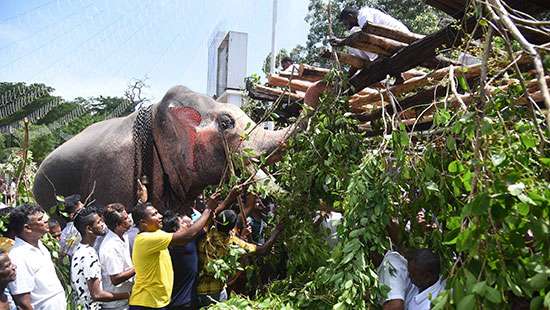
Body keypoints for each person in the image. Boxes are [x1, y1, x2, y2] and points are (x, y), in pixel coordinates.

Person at [128, 199, 218, 310]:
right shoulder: (145, 238)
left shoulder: (157, 233)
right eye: (154, 214)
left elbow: (195, 229)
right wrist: (208, 209)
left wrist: (225, 200)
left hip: (158, 302)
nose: (160, 216)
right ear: (143, 223)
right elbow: (187, 236)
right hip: (146, 304)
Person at [197, 210, 283, 307]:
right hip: (216, 292)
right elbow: (263, 250)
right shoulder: (233, 243)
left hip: (197, 290)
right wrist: (276, 232)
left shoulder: (205, 234)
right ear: (232, 227)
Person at [7, 204, 66, 309]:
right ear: (27, 228)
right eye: (40, 219)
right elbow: (23, 302)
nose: (46, 221)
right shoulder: (18, 256)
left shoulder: (40, 245)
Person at [71, 206, 130, 310]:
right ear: (89, 229)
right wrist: (129, 295)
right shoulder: (88, 254)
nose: (103, 224)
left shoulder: (80, 249)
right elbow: (97, 295)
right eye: (98, 222)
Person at [162, 211, 202, 310]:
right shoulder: (186, 243)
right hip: (185, 303)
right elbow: (203, 225)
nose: (187, 225)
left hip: (171, 302)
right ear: (176, 229)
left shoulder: (166, 245)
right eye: (182, 223)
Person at [99, 203, 136, 310]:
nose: (129, 219)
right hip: (115, 305)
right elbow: (116, 279)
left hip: (125, 301)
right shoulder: (110, 247)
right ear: (118, 225)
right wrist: (139, 267)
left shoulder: (123, 234)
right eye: (125, 218)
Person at [59, 194, 84, 258]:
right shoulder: (80, 228)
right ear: (72, 215)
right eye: (79, 205)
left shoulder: (63, 235)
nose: (83, 205)